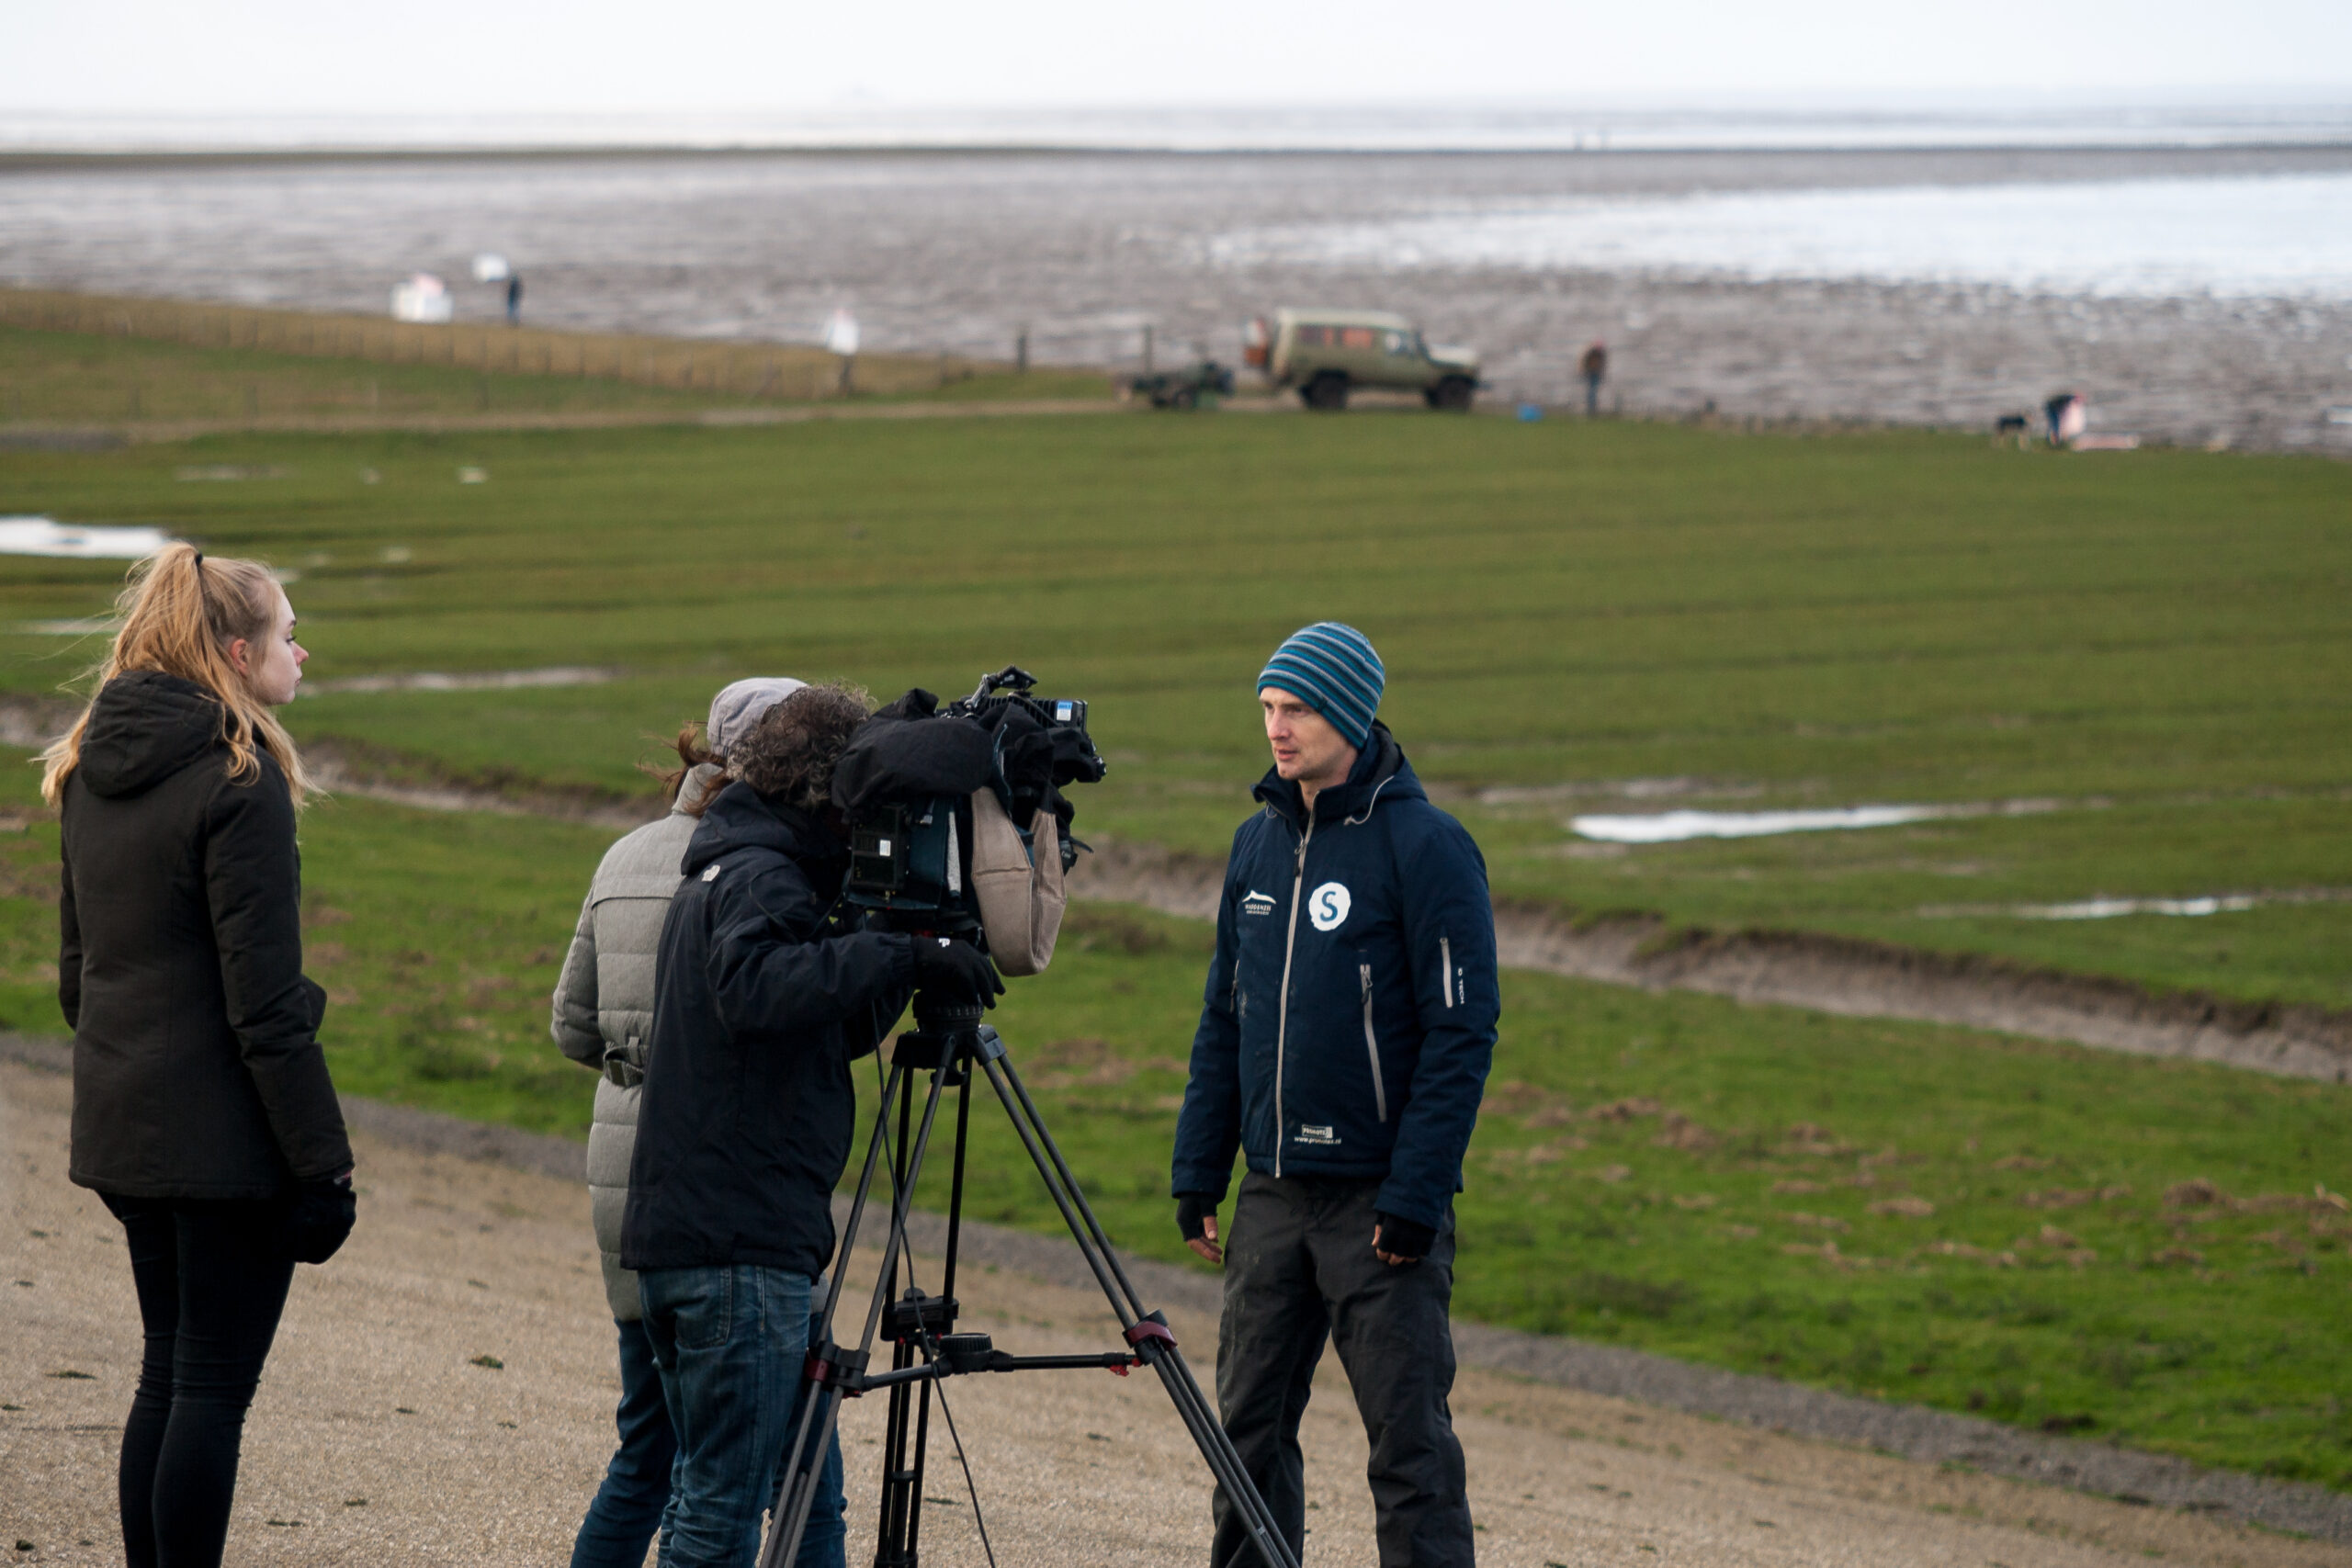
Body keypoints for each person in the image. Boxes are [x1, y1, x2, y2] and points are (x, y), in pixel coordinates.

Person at [620, 683, 1002, 1567]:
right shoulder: (761, 874)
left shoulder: (735, 860)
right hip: (736, 1248)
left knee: (743, 1498)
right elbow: (757, 988)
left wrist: (894, 953)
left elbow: (823, 1026)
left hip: (717, 1239)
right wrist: (900, 950)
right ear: (828, 792)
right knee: (719, 1515)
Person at [42, 542, 357, 1568]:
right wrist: (323, 1166)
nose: (302, 651)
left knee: (165, 1376)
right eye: (287, 631)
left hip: (125, 1122)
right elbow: (263, 1010)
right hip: (222, 1144)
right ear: (235, 649)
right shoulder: (240, 776)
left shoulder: (90, 763)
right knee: (210, 1391)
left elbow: (77, 979)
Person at [1171, 622, 1498, 1568]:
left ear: (1350, 714)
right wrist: (1200, 1167)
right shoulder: (1254, 844)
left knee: (1408, 1452)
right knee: (1246, 1441)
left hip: (1376, 1205)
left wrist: (1415, 1196)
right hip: (1271, 1191)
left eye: (1299, 709)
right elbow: (1223, 1020)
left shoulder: (1428, 846)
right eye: (1268, 709)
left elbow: (1460, 1033)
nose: (1278, 728)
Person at [551, 676, 808, 1568]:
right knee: (772, 1467)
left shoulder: (625, 855)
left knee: (648, 1448)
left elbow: (569, 1026)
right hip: (718, 1185)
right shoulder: (765, 871)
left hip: (621, 1180)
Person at [1579, 339, 1608, 416]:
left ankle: (1592, 408)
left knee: (1593, 390)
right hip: (1592, 372)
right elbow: (1586, 362)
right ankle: (1591, 408)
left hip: (1596, 373)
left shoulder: (1600, 354)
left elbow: (1602, 364)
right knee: (1592, 391)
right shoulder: (1592, 353)